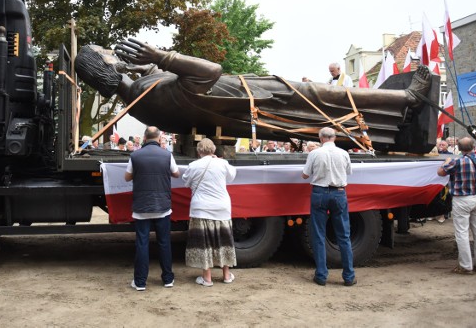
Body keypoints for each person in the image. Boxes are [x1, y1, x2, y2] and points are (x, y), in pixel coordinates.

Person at [74, 39, 436, 153]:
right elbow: (209, 73)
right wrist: (160, 58)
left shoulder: (136, 98)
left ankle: (392, 115)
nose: (111, 51)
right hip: (244, 95)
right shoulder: (143, 91)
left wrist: (150, 68)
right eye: (104, 52)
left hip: (239, 103)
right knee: (321, 96)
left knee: (324, 109)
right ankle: (406, 99)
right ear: (102, 65)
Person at [124, 126, 180, 290]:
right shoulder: (167, 155)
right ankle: (168, 279)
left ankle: (140, 282)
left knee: (142, 244)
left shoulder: (135, 155)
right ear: (158, 138)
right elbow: (176, 174)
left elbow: (127, 177)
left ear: (145, 137)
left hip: (142, 207)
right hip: (162, 206)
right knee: (164, 243)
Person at [302, 127, 356, 287]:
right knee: (343, 236)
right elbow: (348, 172)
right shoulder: (344, 153)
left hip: (319, 192)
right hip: (339, 193)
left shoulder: (314, 154)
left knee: (318, 235)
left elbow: (305, 175)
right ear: (334, 138)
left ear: (321, 139)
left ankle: (321, 275)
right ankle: (348, 276)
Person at [183, 138, 237, 286]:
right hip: (221, 207)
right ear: (213, 150)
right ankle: (226, 275)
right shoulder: (223, 164)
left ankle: (207, 278)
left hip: (201, 208)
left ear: (199, 151)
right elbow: (232, 177)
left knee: (204, 242)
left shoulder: (193, 165)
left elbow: (186, 182)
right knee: (224, 241)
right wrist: (219, 160)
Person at [437, 136, 476, 274]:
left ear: (459, 149)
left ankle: (466, 266)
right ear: (473, 147)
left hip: (461, 199)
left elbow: (441, 172)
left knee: (462, 233)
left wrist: (446, 161)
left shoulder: (457, 162)